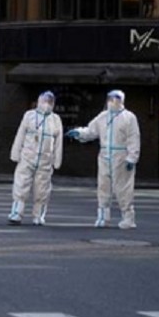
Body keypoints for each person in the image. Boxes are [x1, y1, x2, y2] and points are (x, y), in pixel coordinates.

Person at [66, 89, 140, 229]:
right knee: (103, 186)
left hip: (121, 156)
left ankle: (128, 218)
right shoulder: (103, 117)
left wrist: (132, 157)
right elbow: (91, 131)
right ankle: (103, 217)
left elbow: (133, 138)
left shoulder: (129, 118)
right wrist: (79, 133)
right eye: (111, 99)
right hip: (105, 155)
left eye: (116, 99)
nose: (113, 101)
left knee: (123, 188)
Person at [7, 91, 64, 226]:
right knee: (21, 184)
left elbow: (58, 142)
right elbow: (20, 134)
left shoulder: (55, 120)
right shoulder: (29, 116)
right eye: (44, 101)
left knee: (42, 189)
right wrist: (16, 153)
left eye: (49, 102)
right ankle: (17, 213)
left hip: (45, 160)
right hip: (27, 156)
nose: (47, 104)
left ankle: (39, 215)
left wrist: (57, 160)